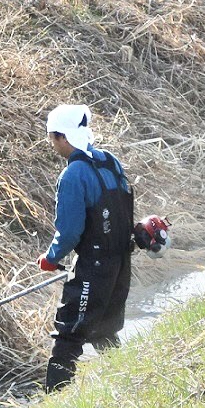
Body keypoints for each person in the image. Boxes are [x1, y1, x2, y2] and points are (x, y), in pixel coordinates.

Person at [39, 104, 137, 392]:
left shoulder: (73, 175)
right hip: (121, 266)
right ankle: (130, 384)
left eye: (52, 137)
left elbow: (69, 232)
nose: (51, 143)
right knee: (104, 330)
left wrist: (51, 257)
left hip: (94, 270)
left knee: (68, 336)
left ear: (63, 138)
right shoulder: (110, 162)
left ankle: (54, 405)